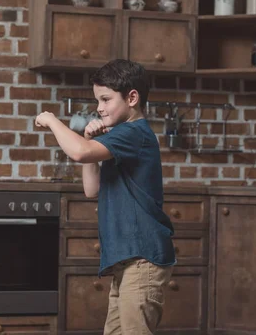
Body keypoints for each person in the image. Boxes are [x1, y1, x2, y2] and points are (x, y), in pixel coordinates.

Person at [35, 59, 176, 334]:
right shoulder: (122, 135)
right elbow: (93, 190)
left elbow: (79, 152)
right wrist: (88, 141)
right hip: (128, 261)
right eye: (97, 100)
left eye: (105, 99)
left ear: (132, 97)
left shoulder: (134, 132)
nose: (99, 107)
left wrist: (53, 120)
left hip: (142, 257)